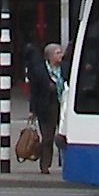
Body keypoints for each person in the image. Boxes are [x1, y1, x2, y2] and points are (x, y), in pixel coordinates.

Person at [27, 41, 64, 175]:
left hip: (62, 105)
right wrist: (32, 110)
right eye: (58, 53)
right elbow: (34, 91)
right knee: (47, 137)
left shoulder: (64, 68)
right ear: (49, 56)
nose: (61, 55)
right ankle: (45, 164)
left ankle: (64, 162)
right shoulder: (39, 70)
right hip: (46, 106)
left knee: (64, 136)